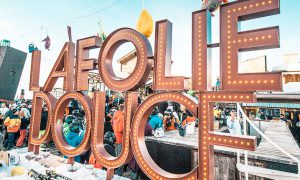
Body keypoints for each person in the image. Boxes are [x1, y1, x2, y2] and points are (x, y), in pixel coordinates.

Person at [112, 104, 125, 175]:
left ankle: (114, 170)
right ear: (123, 109)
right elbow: (121, 129)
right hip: (120, 137)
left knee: (116, 154)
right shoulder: (121, 117)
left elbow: (113, 127)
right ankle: (118, 172)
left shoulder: (115, 115)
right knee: (120, 156)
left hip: (115, 136)